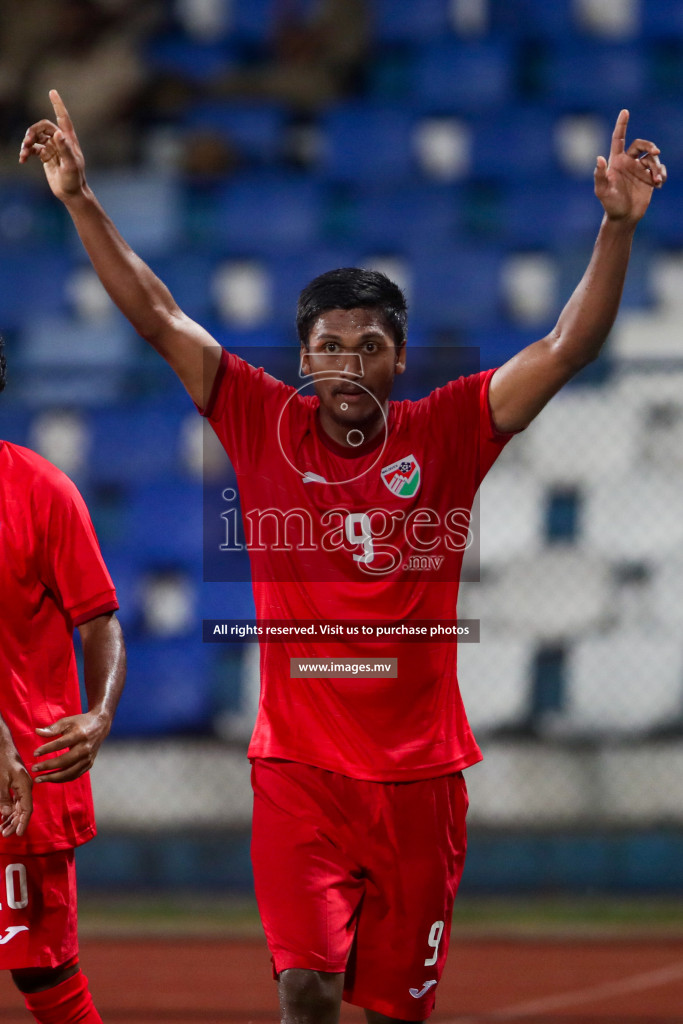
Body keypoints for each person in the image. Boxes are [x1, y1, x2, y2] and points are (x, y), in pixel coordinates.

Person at [20, 91, 665, 1024]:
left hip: (420, 785)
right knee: (306, 989)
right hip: (298, 776)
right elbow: (159, 317)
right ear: (300, 357)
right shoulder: (255, 416)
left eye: (368, 349)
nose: (345, 365)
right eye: (327, 347)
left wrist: (613, 230)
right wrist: (81, 199)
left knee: (392, 1013)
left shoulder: (446, 431)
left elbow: (564, 348)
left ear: (399, 361)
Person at [0, 335, 127, 1024]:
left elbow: (100, 621)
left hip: (22, 781)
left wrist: (98, 714)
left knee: (44, 975)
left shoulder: (42, 491)